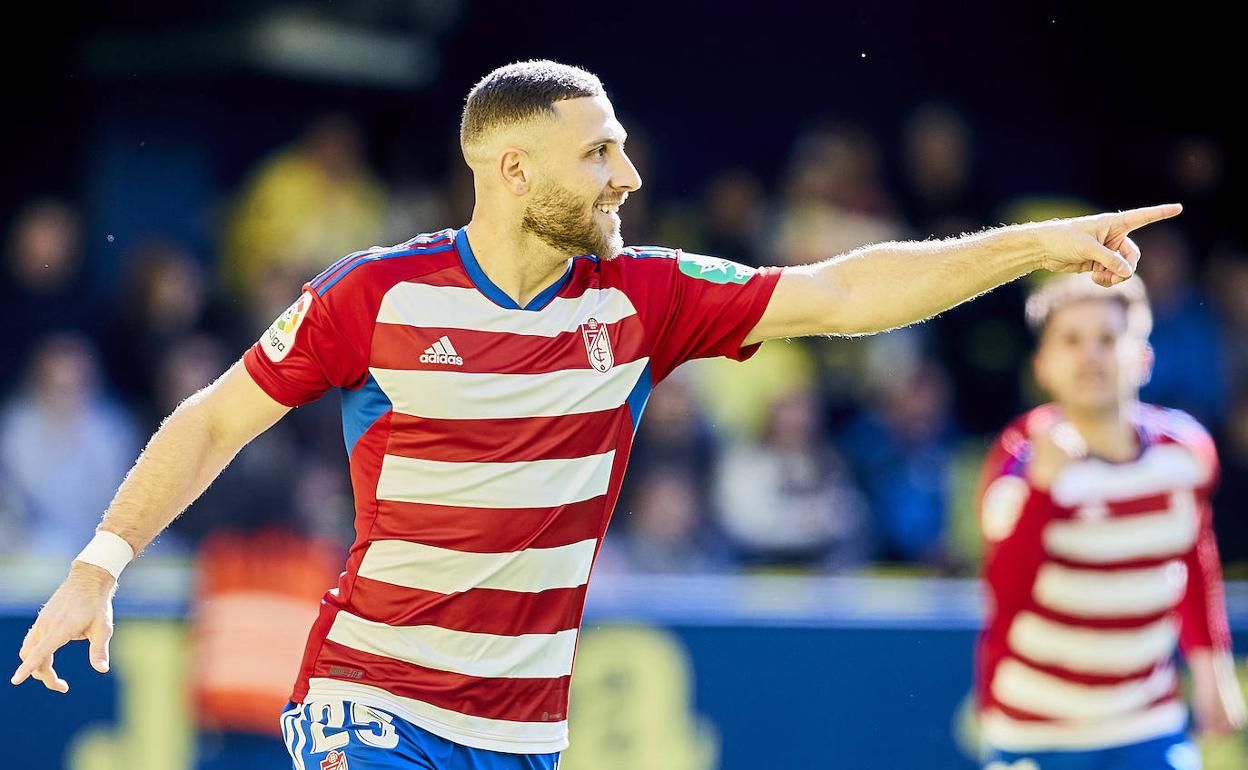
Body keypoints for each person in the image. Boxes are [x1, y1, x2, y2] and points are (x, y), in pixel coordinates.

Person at [11, 59, 1180, 770]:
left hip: (526, 729)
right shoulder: (374, 295)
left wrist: (1037, 245)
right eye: (601, 152)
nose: (629, 174)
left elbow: (843, 292)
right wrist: (101, 563)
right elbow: (213, 418)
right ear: (514, 171)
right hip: (370, 695)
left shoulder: (647, 296)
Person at [974, 274, 1246, 769]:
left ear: (1143, 358)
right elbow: (1005, 590)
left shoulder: (1185, 452)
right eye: (1071, 340)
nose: (1090, 355)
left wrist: (1213, 671)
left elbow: (1190, 559)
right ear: (1042, 365)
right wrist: (1042, 491)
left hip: (1148, 722)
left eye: (1108, 338)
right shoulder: (1018, 458)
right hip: (1037, 730)